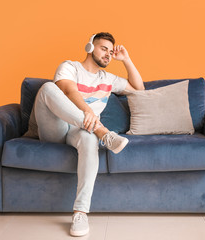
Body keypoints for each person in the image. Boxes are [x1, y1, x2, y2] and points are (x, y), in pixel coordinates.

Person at [27, 32, 144, 237]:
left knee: (90, 139)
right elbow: (69, 90)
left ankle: (80, 212)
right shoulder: (70, 67)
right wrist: (89, 113)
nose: (107, 54)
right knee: (47, 88)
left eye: (110, 51)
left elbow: (139, 89)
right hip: (56, 127)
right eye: (103, 48)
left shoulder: (108, 79)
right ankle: (104, 134)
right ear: (90, 47)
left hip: (82, 132)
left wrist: (126, 59)